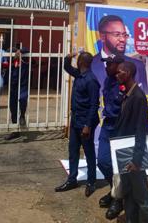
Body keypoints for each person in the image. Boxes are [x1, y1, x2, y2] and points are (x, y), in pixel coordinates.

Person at [55, 52, 100, 197]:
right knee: (73, 150)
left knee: (89, 152)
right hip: (75, 120)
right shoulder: (79, 74)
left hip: (85, 122)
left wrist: (87, 125)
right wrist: (68, 57)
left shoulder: (91, 80)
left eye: (78, 59)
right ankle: (72, 179)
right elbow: (67, 67)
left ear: (80, 62)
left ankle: (91, 182)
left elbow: (94, 105)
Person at [114, 61, 148, 223]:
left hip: (133, 155)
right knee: (128, 190)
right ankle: (131, 218)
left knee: (141, 193)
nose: (116, 75)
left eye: (119, 72)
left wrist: (136, 160)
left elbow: (141, 129)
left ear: (128, 73)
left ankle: (146, 220)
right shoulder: (127, 94)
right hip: (125, 151)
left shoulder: (138, 97)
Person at [97, 54, 124, 220]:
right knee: (103, 161)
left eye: (110, 64)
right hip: (108, 125)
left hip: (121, 127)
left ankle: (119, 199)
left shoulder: (125, 83)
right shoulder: (108, 81)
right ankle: (114, 190)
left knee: (120, 166)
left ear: (119, 65)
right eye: (106, 64)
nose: (106, 67)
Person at [91, 15, 148, 93]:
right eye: (117, 35)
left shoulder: (138, 66)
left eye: (124, 35)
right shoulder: (91, 65)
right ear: (103, 37)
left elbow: (145, 94)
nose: (122, 39)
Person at [4, 47, 30, 140]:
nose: (10, 57)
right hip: (13, 86)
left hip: (23, 85)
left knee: (23, 99)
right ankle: (15, 131)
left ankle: (22, 115)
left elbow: (28, 50)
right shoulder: (10, 63)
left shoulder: (24, 60)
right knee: (13, 107)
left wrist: (20, 51)